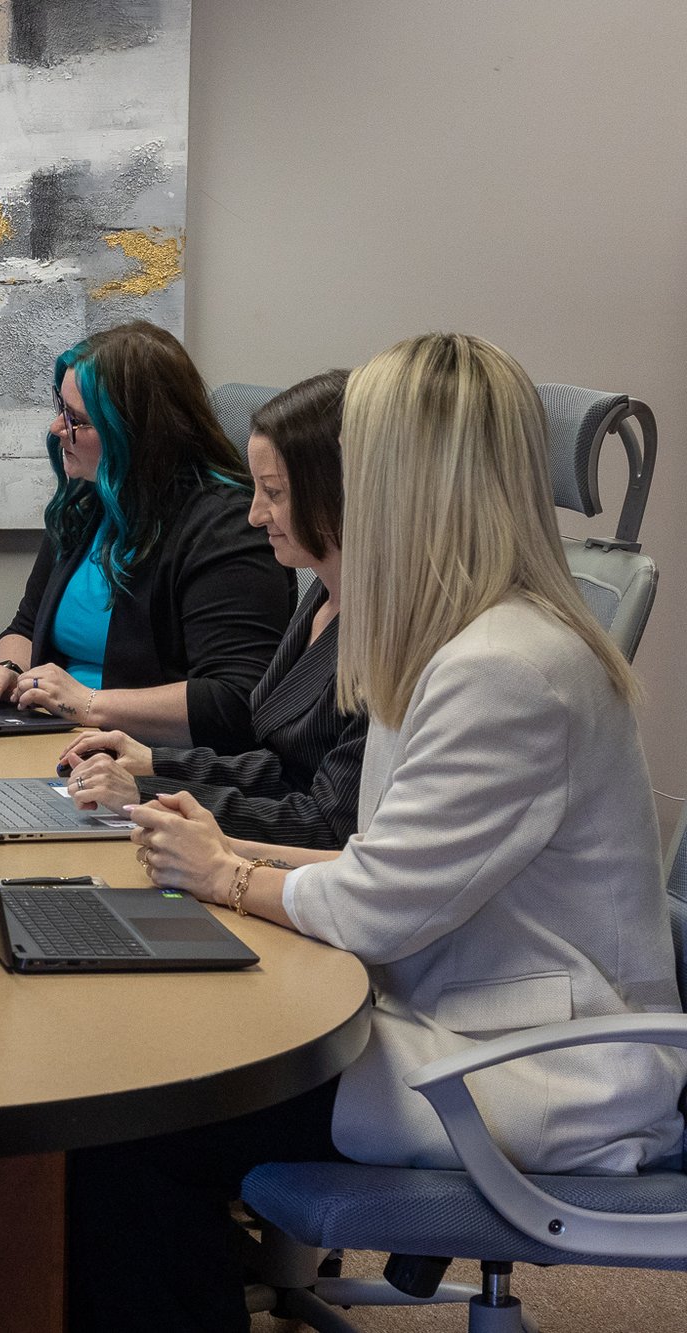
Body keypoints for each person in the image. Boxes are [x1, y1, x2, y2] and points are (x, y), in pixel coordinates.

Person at [66, 332, 686, 1332]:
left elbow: (373, 909)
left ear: (408, 479)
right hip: (459, 1020)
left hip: (527, 1065)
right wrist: (233, 851)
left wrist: (224, 874)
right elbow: (380, 859)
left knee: (130, 1129)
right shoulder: (457, 637)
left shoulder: (507, 666)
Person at [0, 321, 292, 752]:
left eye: (77, 421)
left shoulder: (227, 529)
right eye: (61, 410)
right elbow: (27, 625)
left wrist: (87, 704)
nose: (57, 429)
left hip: (150, 768)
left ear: (135, 433)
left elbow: (234, 700)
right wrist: (9, 669)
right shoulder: (87, 505)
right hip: (58, 743)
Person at [61, 371, 364, 849]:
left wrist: (146, 792)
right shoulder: (325, 594)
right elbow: (283, 766)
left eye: (275, 493)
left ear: (340, 492)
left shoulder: (387, 633)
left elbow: (326, 824)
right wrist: (157, 762)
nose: (255, 514)